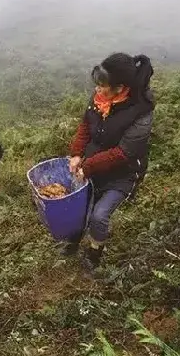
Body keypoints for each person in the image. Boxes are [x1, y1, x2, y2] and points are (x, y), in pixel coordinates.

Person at [66, 52, 154, 273]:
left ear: (120, 87)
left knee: (99, 215)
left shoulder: (141, 111)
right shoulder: (98, 99)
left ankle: (95, 253)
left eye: (103, 85)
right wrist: (77, 153)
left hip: (124, 173)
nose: (97, 89)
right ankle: (74, 241)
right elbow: (86, 125)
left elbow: (123, 153)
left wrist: (87, 166)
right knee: (82, 208)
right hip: (95, 166)